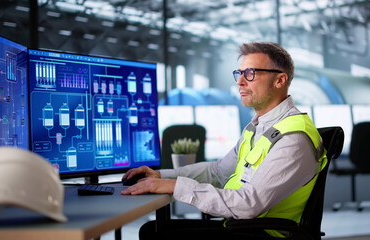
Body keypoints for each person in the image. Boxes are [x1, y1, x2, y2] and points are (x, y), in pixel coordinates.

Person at [121, 42, 326, 239]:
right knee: (152, 230)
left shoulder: (293, 138)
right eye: (239, 73)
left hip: (262, 233)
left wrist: (176, 187)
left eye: (250, 74)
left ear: (280, 80)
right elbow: (218, 172)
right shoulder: (257, 128)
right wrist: (160, 176)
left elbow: (248, 204)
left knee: (156, 235)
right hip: (242, 226)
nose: (240, 82)